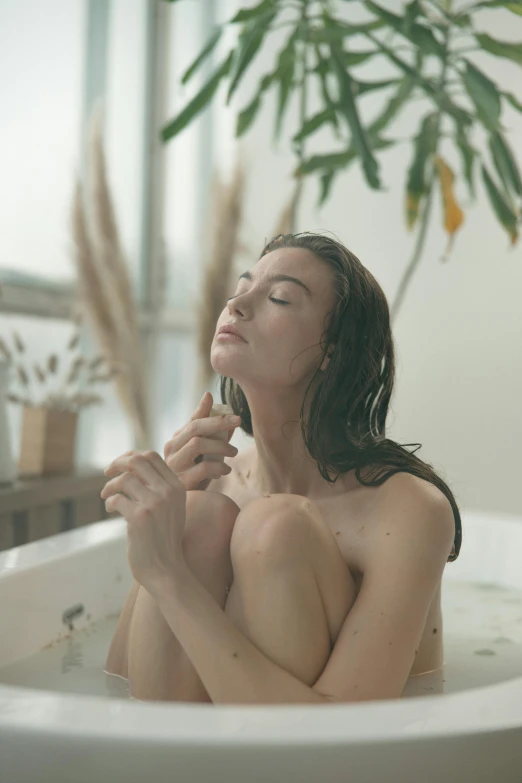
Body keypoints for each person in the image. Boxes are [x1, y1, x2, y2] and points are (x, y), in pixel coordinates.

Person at [104, 231, 461, 704]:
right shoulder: (217, 481)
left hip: (332, 766)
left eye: (279, 298)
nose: (237, 305)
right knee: (198, 514)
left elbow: (351, 728)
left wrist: (169, 578)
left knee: (277, 526)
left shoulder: (408, 509)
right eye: (239, 288)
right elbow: (117, 686)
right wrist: (166, 515)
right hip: (179, 757)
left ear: (332, 350)